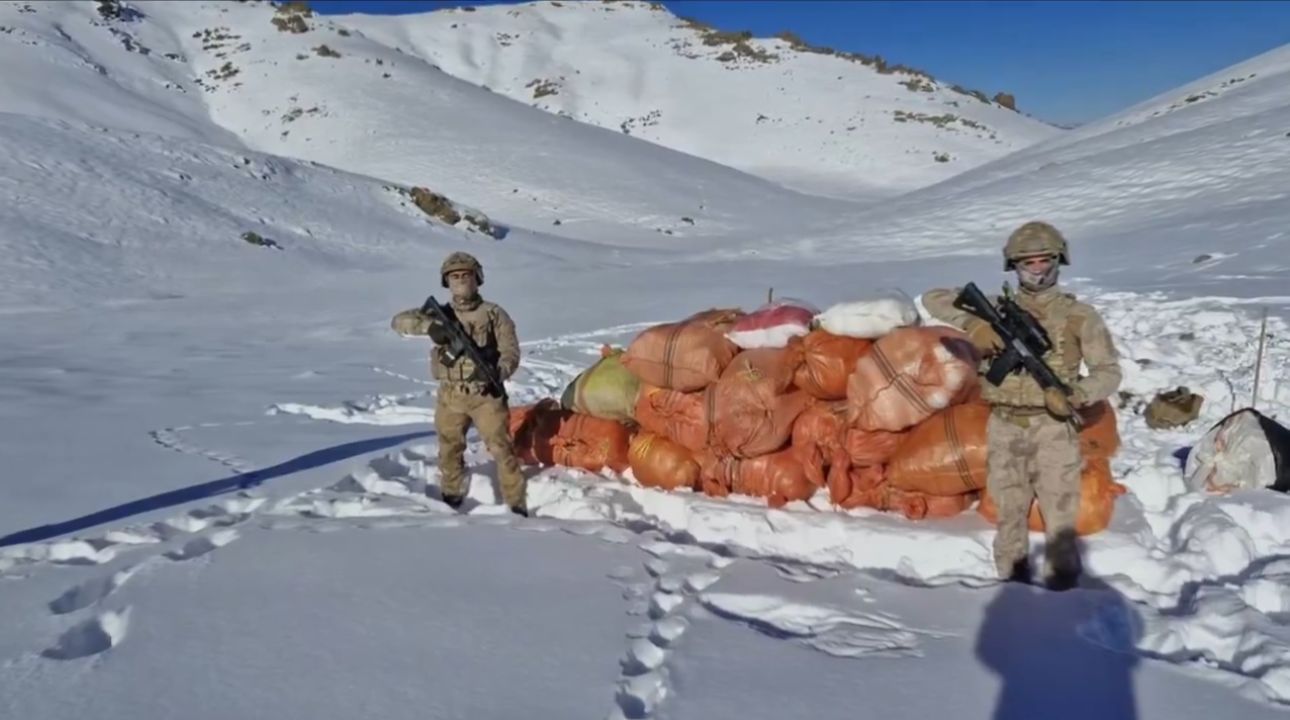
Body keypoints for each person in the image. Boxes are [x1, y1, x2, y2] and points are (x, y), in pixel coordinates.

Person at [922, 221, 1122, 589]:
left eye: (1044, 260)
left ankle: (1063, 588)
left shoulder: (1080, 316)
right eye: (1028, 262)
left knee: (1060, 514)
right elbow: (933, 298)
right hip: (1004, 423)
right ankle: (1011, 584)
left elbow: (1109, 372)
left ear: (1059, 261)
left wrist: (1074, 395)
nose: (1037, 270)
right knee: (1008, 509)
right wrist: (977, 326)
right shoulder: (997, 309)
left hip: (1052, 427)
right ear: (1013, 266)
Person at [391, 252, 527, 516]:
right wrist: (431, 328)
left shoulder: (494, 313)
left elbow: (510, 350)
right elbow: (398, 322)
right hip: (450, 395)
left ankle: (516, 502)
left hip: (485, 395)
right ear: (446, 282)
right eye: (454, 276)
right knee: (449, 447)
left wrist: (499, 371)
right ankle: (452, 494)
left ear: (478, 278)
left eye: (466, 275)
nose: (461, 280)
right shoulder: (440, 315)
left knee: (502, 449)